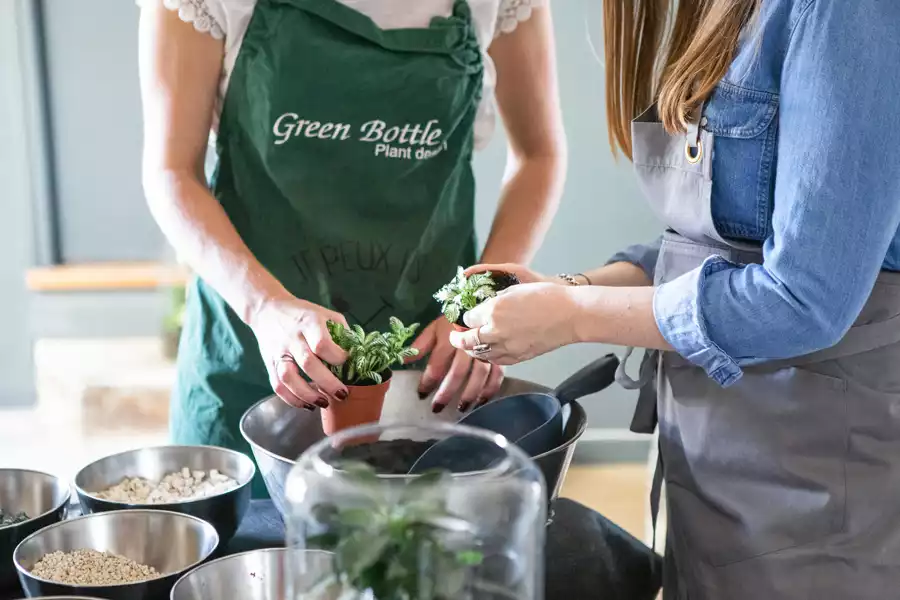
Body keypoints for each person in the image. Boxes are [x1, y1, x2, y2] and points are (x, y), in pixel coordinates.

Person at [449, 0, 900, 598]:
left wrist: (573, 317)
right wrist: (566, 290)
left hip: (817, 463)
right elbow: (710, 243)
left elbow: (804, 299)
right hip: (714, 446)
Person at [138, 0, 566, 497]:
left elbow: (540, 154)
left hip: (429, 363)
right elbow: (172, 172)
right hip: (253, 348)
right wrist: (266, 306)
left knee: (418, 555)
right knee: (252, 556)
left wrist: (479, 300)